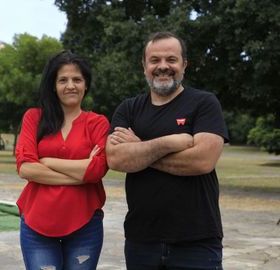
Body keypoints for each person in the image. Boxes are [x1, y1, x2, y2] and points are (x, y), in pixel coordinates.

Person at [106, 31, 229, 269]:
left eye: (171, 60)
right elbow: (115, 158)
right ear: (144, 66)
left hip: (197, 241)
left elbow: (202, 161)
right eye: (155, 60)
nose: (163, 66)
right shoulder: (128, 109)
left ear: (184, 65)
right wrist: (171, 143)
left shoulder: (204, 103)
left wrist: (139, 148)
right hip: (141, 240)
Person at [15, 51, 109, 270]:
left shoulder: (97, 123)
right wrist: (81, 175)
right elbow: (26, 168)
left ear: (86, 85)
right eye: (63, 80)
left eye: (77, 79)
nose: (70, 86)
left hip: (85, 225)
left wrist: (47, 160)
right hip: (36, 225)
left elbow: (97, 170)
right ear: (53, 86)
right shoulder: (34, 118)